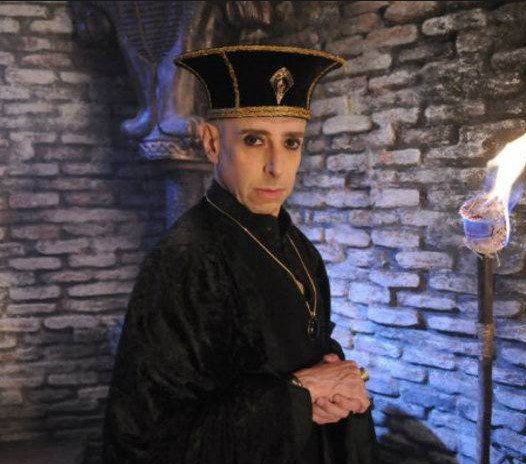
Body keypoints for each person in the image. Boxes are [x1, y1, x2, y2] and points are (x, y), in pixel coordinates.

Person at [103, 44, 377, 464]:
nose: (276, 167)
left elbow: (295, 343)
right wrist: (300, 396)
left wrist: (338, 378)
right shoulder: (185, 259)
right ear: (212, 143)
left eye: (291, 142)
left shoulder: (297, 245)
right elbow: (146, 433)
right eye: (254, 140)